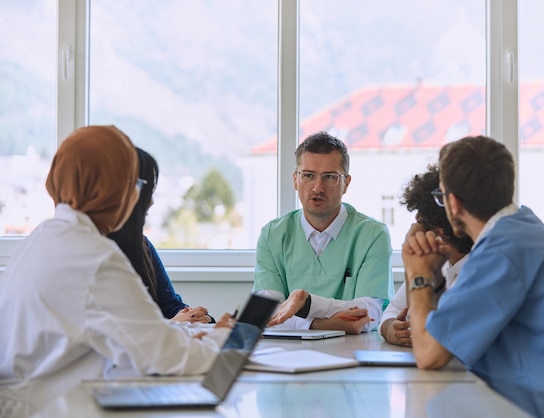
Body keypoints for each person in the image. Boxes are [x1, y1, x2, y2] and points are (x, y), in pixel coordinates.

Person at [0, 126, 233, 413]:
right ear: (112, 188)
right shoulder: (93, 257)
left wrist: (186, 333)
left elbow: (120, 335)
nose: (137, 197)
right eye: (133, 185)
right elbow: (166, 357)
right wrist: (227, 339)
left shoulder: (42, 237)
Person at [402, 135, 544, 417]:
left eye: (441, 196)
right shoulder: (524, 229)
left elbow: (429, 354)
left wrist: (418, 272)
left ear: (454, 203)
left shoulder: (501, 251)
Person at [253, 131, 394, 334]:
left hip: (352, 352)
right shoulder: (272, 235)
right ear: (295, 180)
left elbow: (368, 314)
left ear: (346, 183)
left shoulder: (373, 235)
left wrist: (306, 304)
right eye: (308, 176)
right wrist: (323, 324)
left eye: (329, 177)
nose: (317, 188)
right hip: (287, 354)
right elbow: (267, 314)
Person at [109, 147, 214, 323]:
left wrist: (195, 317)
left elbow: (170, 306)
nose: (151, 202)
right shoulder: (95, 253)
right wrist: (173, 324)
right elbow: (118, 333)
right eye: (146, 192)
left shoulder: (142, 246)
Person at [379, 165, 473, 347]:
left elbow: (432, 342)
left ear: (439, 231)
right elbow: (393, 310)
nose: (413, 229)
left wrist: (412, 257)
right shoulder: (441, 261)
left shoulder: (476, 272)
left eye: (419, 222)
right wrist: (391, 329)